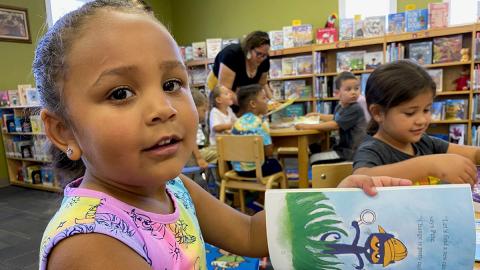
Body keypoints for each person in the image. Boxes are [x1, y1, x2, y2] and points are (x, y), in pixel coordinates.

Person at [34, 1, 412, 269]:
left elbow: (249, 233)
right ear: (62, 129)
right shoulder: (88, 245)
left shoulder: (174, 187)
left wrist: (337, 201)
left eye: (171, 83)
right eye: (120, 93)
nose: (164, 108)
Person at [353, 60, 479, 186]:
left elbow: (473, 154)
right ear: (378, 113)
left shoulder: (424, 142)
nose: (422, 120)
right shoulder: (372, 149)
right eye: (410, 113)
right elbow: (359, 179)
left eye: (426, 110)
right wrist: (427, 166)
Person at [295, 72, 367, 164]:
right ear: (337, 93)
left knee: (313, 159)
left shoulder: (354, 108)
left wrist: (306, 126)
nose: (353, 92)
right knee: (314, 149)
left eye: (356, 89)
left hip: (350, 153)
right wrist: (318, 115)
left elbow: (335, 125)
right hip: (342, 149)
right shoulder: (341, 106)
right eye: (348, 89)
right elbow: (335, 118)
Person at [206, 30, 274, 109]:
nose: (262, 58)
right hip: (220, 88)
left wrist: (272, 102)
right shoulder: (231, 55)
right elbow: (224, 89)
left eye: (265, 55)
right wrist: (249, 106)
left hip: (239, 90)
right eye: (258, 54)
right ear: (249, 49)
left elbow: (262, 84)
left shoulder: (264, 59)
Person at [231, 84, 282, 177]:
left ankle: (249, 191)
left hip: (238, 170)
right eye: (264, 98)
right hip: (257, 170)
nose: (267, 101)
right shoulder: (261, 123)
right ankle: (281, 190)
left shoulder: (236, 123)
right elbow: (269, 152)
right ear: (253, 104)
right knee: (276, 164)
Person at [187, 89, 217, 168]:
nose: (205, 114)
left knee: (219, 148)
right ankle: (221, 178)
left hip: (191, 155)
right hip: (190, 158)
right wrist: (199, 158)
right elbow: (191, 141)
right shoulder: (190, 121)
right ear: (194, 107)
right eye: (203, 110)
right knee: (222, 153)